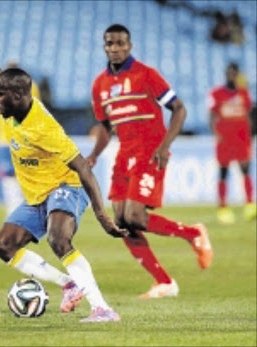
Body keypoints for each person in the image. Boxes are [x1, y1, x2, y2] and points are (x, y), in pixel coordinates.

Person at [0, 34, 128, 322]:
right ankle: (69, 285)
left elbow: (83, 167)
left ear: (19, 97)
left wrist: (102, 216)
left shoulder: (43, 127)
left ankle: (103, 309)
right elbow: (2, 82)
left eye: (0, 96)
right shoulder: (15, 106)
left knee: (59, 239)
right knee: (3, 245)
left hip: (65, 186)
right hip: (37, 195)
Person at [88, 24, 213, 299]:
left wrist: (166, 146)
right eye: (110, 43)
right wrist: (94, 155)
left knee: (134, 216)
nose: (115, 48)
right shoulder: (100, 84)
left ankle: (193, 233)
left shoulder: (146, 74)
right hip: (123, 154)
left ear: (129, 46)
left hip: (149, 151)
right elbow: (105, 127)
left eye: (120, 43)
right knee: (120, 224)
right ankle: (164, 282)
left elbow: (179, 108)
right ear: (104, 47)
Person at [0, 61, 39, 216]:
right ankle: (13, 210)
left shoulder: (31, 87)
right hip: (4, 139)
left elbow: (36, 112)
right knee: (8, 175)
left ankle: (25, 208)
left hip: (23, 138)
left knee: (25, 173)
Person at [208, 63, 255, 223]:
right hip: (225, 139)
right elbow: (212, 115)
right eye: (229, 73)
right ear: (225, 74)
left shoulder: (244, 93)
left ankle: (250, 205)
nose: (231, 76)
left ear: (237, 75)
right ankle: (223, 208)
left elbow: (249, 114)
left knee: (246, 170)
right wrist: (216, 134)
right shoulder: (216, 93)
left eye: (234, 73)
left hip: (241, 138)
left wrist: (250, 135)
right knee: (223, 172)